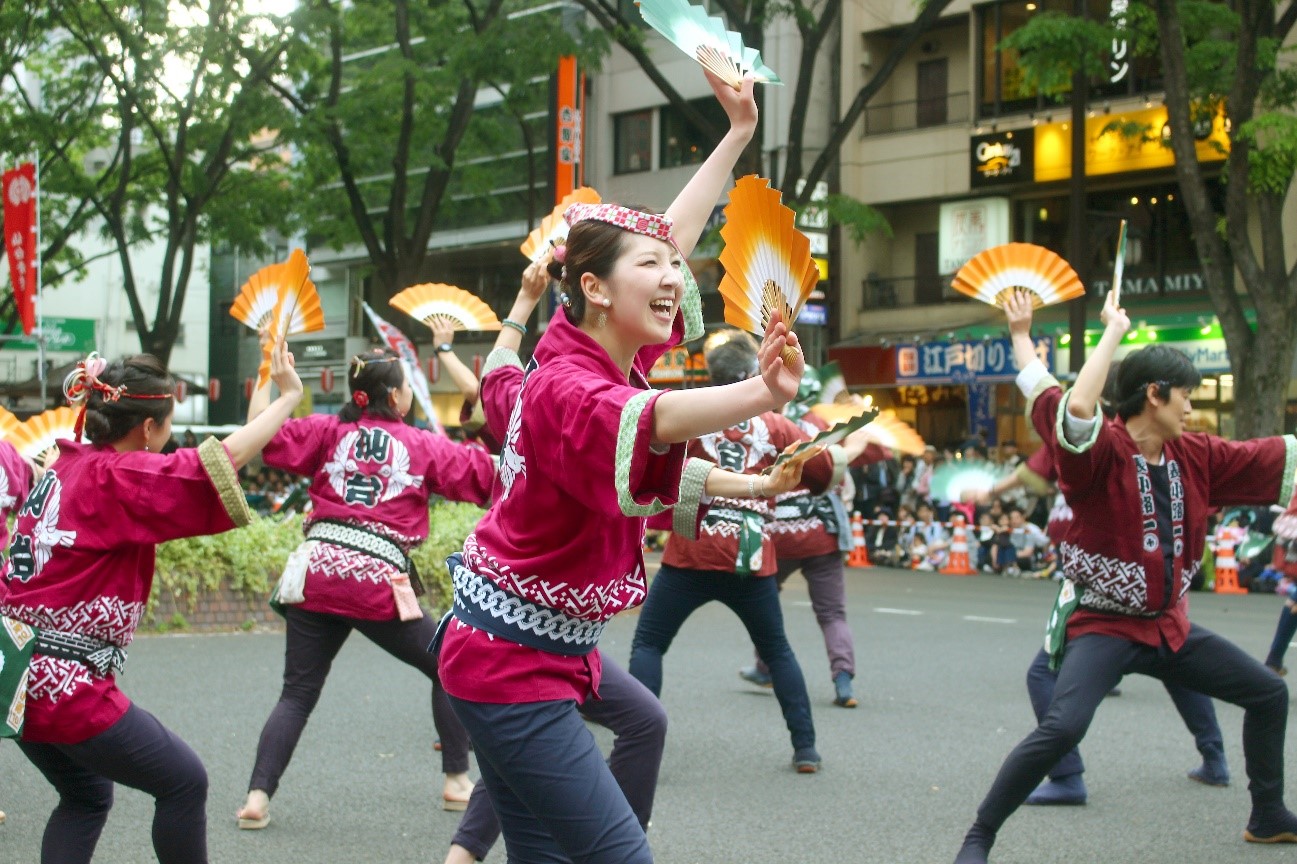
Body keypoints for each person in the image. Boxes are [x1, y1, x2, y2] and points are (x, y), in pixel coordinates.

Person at [436, 70, 809, 864]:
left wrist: (737, 134)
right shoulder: (569, 388)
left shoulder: (579, 362)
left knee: (608, 769)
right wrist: (762, 391)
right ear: (594, 290)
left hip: (528, 647)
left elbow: (665, 238)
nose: (675, 277)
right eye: (653, 267)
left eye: (675, 265)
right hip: (510, 663)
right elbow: (656, 418)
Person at [953, 288, 1297, 864]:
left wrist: (1027, 336)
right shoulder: (1099, 453)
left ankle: (1267, 815)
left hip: (1169, 626)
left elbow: (1269, 456)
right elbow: (1067, 404)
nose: (1191, 407)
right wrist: (1103, 330)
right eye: (1185, 395)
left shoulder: (1196, 454)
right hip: (1104, 625)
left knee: (1268, 693)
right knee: (1063, 727)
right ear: (1154, 394)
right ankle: (979, 836)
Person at [0, 343, 302, 864]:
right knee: (184, 781)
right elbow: (216, 464)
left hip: (14, 675)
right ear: (146, 427)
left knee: (86, 794)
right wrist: (288, 397)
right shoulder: (116, 475)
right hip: (62, 684)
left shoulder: (64, 464)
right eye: (167, 425)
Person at [236, 343, 499, 830]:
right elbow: (489, 475)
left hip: (316, 572)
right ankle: (456, 779)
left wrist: (268, 370)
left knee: (296, 693)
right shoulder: (421, 444)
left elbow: (259, 433)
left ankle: (257, 797)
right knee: (447, 666)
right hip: (376, 580)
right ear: (395, 396)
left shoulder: (327, 432)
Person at [631, 336, 874, 766]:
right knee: (777, 651)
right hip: (751, 553)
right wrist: (849, 449)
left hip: (692, 549)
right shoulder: (774, 425)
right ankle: (805, 748)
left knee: (649, 644)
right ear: (751, 375)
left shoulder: (691, 413)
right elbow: (821, 471)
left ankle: (639, 749)